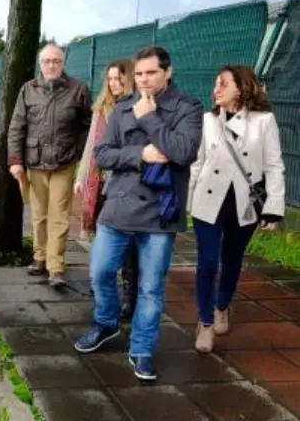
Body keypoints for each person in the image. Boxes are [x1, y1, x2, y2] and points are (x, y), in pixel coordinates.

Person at [73, 46, 203, 381]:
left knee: (150, 287)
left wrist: (148, 117)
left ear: (167, 72)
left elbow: (183, 151)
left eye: (151, 73)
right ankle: (106, 322)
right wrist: (140, 153)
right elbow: (103, 154)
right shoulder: (122, 108)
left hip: (161, 213)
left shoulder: (188, 107)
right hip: (118, 206)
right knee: (100, 272)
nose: (144, 79)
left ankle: (142, 350)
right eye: (140, 73)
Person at [188, 65, 285, 353]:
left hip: (244, 204)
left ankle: (221, 305)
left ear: (241, 88)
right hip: (208, 202)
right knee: (207, 262)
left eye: (223, 84)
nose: (215, 89)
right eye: (215, 84)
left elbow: (274, 166)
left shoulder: (264, 121)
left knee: (232, 259)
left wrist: (273, 208)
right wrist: (187, 201)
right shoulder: (208, 120)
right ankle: (205, 322)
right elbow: (197, 162)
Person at [8, 43, 92, 287]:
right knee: (38, 215)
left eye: (56, 61)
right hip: (34, 163)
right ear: (40, 64)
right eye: (47, 61)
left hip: (64, 164)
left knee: (59, 216)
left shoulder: (78, 89)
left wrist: (78, 153)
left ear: (63, 63)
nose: (52, 65)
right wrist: (15, 161)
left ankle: (56, 268)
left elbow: (88, 126)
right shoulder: (28, 89)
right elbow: (16, 127)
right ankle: (40, 258)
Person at [74, 59, 140, 319]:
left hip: (124, 184)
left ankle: (130, 295)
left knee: (128, 244)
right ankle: (103, 284)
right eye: (110, 79)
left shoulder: (138, 108)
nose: (114, 84)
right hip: (99, 181)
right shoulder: (101, 108)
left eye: (119, 79)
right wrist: (82, 175)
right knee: (103, 236)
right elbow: (92, 144)